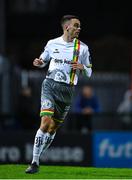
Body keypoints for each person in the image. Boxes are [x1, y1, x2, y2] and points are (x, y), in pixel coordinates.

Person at [25, 14, 92, 174]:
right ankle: (34, 162)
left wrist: (82, 67)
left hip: (67, 90)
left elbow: (89, 72)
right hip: (50, 85)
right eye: (76, 25)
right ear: (67, 27)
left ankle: (38, 154)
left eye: (80, 26)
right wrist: (39, 62)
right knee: (45, 122)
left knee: (53, 128)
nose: (79, 29)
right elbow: (43, 60)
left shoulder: (82, 48)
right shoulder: (52, 43)